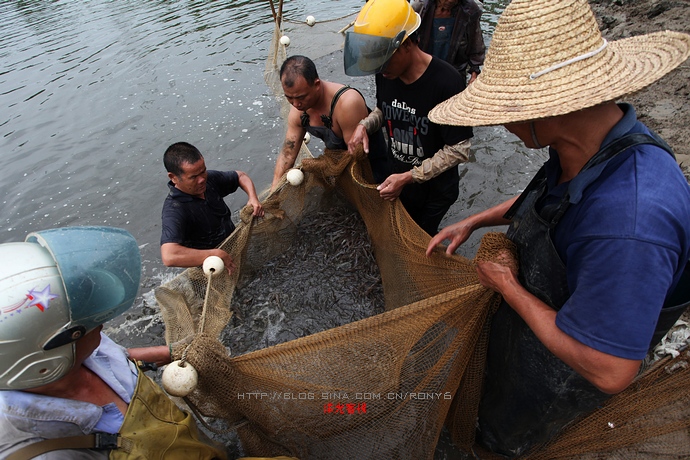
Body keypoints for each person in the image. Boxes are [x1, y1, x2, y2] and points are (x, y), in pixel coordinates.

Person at [425, 0, 690, 456]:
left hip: (566, 375)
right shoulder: (591, 142)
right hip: (538, 330)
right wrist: (477, 218)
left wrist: (509, 288)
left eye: (507, 108)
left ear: (547, 110)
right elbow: (554, 200)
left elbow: (610, 369)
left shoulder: (628, 222)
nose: (501, 124)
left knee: (507, 437)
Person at [0, 226, 227, 459]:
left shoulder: (77, 351)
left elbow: (115, 355)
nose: (102, 326)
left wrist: (174, 351)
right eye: (86, 325)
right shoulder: (49, 453)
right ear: (45, 361)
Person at [345, 0, 474, 236]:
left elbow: (459, 148)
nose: (380, 68)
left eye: (384, 59)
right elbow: (385, 109)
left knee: (420, 236)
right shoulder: (386, 73)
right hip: (399, 177)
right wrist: (365, 125)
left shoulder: (448, 82)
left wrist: (410, 176)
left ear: (406, 44)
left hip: (434, 190)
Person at [271, 55, 389, 189]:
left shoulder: (347, 103)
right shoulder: (298, 108)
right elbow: (288, 153)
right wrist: (274, 190)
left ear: (316, 84)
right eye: (289, 98)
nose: (296, 104)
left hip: (370, 167)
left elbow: (356, 157)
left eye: (301, 97)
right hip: (339, 165)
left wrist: (324, 165)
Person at [161, 141, 264, 271]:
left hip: (233, 247)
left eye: (203, 171)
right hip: (211, 268)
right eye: (193, 177)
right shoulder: (175, 210)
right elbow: (169, 256)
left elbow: (240, 176)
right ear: (173, 177)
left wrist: (253, 198)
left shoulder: (208, 180)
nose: (202, 179)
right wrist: (213, 254)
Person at [415, 0, 486, 87]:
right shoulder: (421, 8)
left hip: (455, 73)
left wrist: (474, 74)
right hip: (423, 72)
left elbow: (475, 46)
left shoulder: (469, 10)